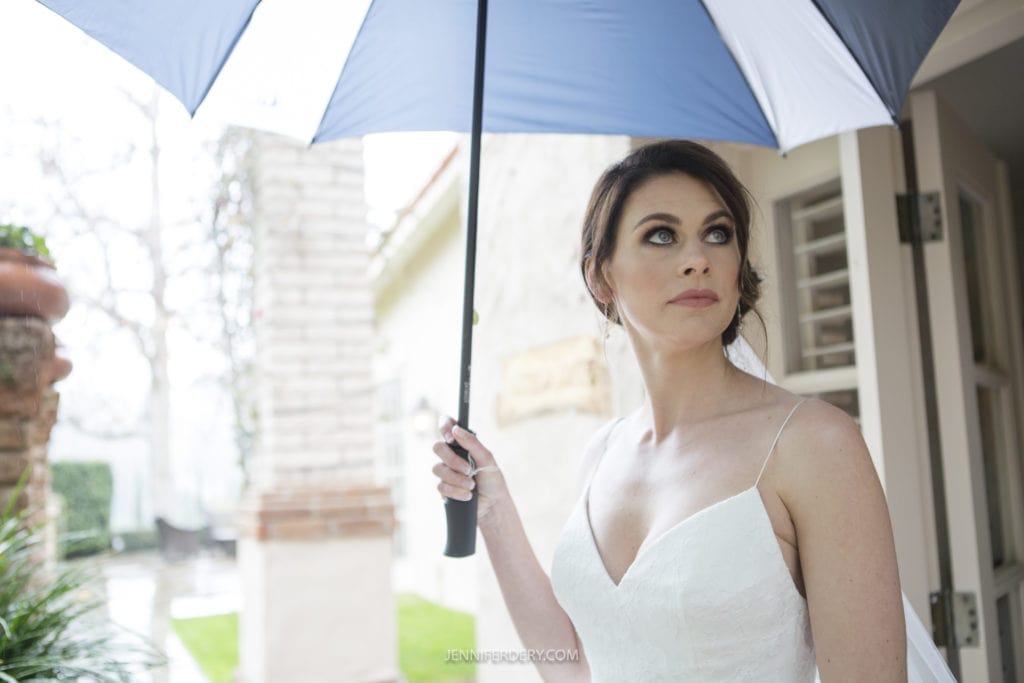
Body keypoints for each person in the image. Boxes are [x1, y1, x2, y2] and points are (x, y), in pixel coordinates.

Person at [431, 140, 955, 682]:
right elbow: (580, 664)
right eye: (661, 235)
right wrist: (491, 508)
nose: (698, 259)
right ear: (601, 277)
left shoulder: (813, 444)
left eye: (718, 234)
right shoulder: (602, 454)